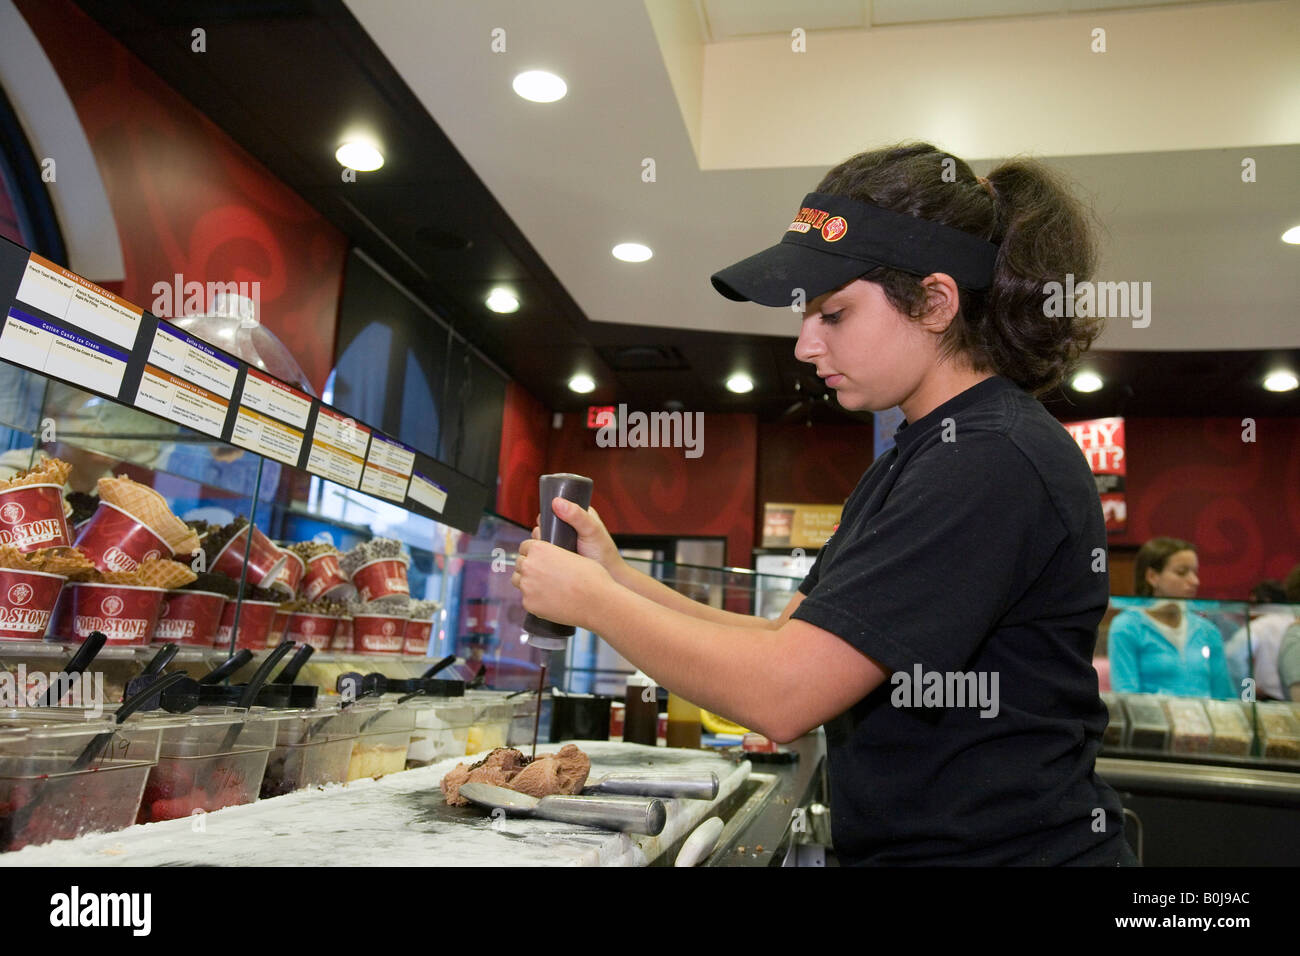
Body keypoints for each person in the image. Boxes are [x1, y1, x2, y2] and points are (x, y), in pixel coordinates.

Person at [512, 143, 1134, 865]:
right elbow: (783, 641)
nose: (805, 344)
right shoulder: (919, 452)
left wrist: (592, 604)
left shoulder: (992, 458)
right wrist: (617, 578)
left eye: (833, 313)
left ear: (936, 303)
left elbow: (786, 696)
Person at [1107, 538, 1235, 699]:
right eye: (1182, 572)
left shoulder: (1207, 630)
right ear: (1152, 576)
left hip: (1204, 721)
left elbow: (1224, 696)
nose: (1195, 581)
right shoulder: (1127, 627)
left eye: (1195, 573)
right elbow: (1126, 696)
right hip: (1153, 722)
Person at [1223, 575, 1298, 700]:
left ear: (1265, 601)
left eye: (1253, 602)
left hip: (1268, 699)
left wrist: (1248, 690)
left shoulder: (1260, 626)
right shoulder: (1294, 622)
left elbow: (1233, 655)